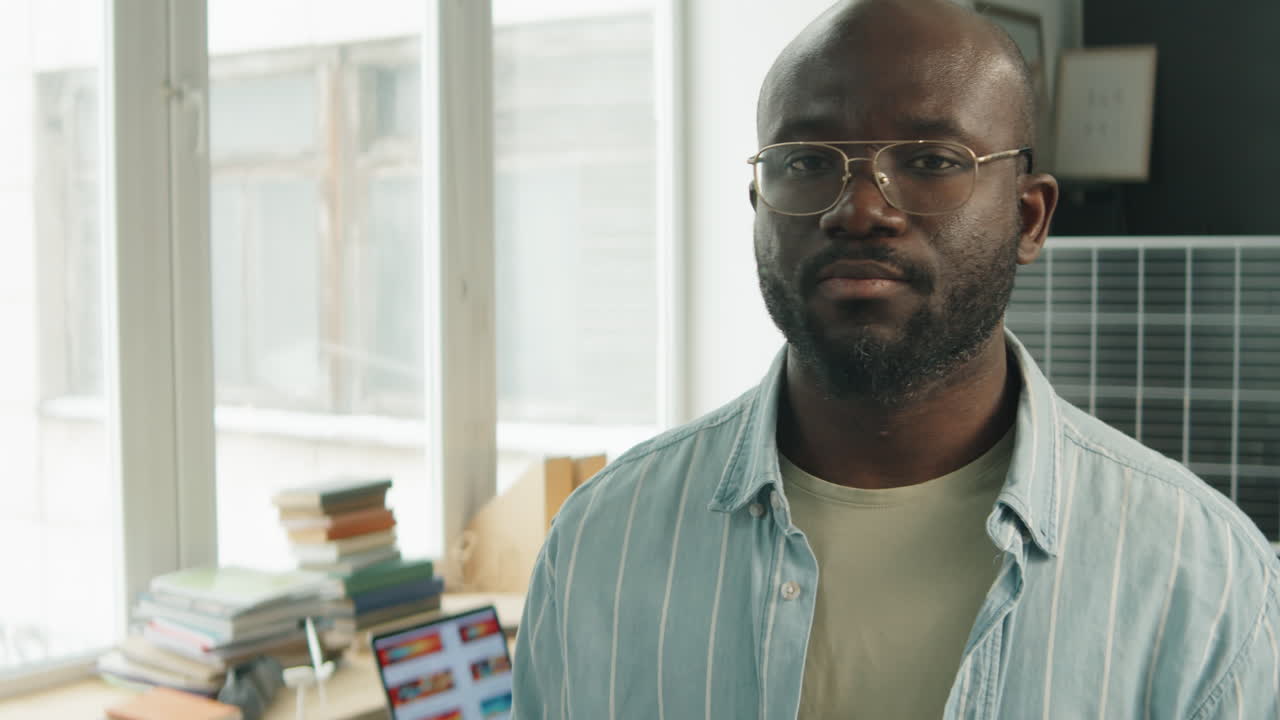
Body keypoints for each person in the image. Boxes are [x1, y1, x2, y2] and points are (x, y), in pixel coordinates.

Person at [510, 0, 1280, 717]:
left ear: (1029, 218)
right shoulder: (601, 547)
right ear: (759, 206)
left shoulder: (1200, 580)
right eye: (806, 162)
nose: (859, 209)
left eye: (933, 160)